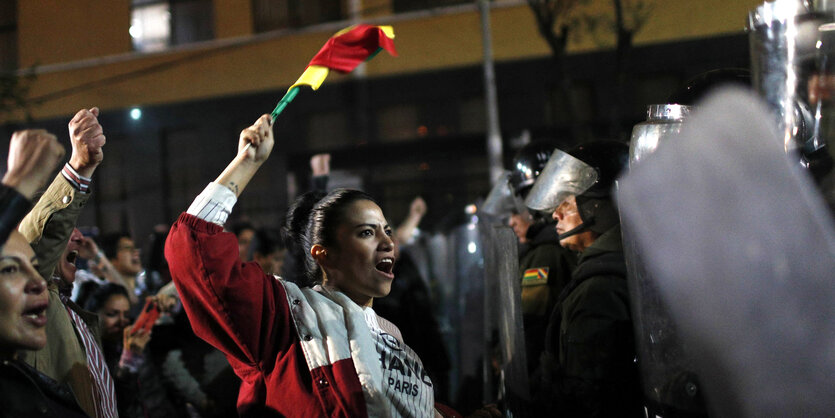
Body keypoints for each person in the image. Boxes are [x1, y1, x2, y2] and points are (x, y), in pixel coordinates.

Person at [166, 115, 450, 417]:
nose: (387, 242)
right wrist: (247, 163)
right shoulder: (284, 316)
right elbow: (192, 246)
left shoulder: (389, 333)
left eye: (387, 230)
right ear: (323, 254)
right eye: (367, 232)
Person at [526, 141, 643, 417]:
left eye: (566, 203)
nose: (555, 214)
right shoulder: (619, 267)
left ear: (596, 207)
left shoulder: (600, 290)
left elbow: (588, 399)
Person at [18, 107, 119, 418]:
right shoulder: (29, 303)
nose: (77, 236)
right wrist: (78, 168)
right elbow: (34, 243)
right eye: (66, 229)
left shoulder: (73, 315)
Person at [507, 141, 576, 375]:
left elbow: (532, 327)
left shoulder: (545, 254)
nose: (512, 220)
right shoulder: (556, 246)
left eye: (520, 205)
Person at [84, 283, 183, 418]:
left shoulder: (138, 336)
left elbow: (178, 337)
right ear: (95, 315)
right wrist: (129, 362)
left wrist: (173, 305)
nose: (122, 321)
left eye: (126, 314)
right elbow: (116, 403)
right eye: (112, 314)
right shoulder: (92, 356)